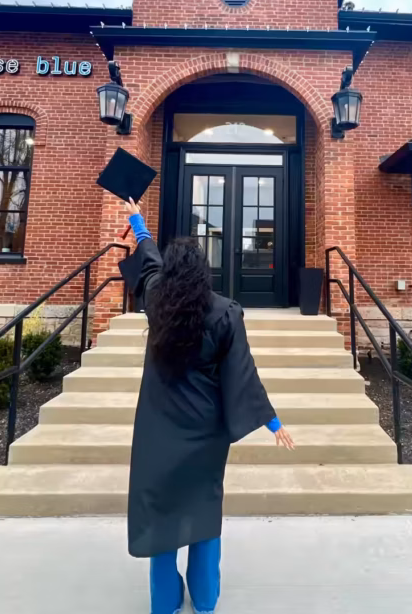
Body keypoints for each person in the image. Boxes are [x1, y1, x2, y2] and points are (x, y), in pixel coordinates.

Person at [123, 198, 294, 614]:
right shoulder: (225, 312)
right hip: (205, 432)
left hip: (157, 430)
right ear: (204, 272)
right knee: (203, 514)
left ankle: (164, 603)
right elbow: (243, 373)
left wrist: (137, 220)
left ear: (169, 272)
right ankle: (205, 599)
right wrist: (270, 420)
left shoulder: (155, 299)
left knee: (160, 517)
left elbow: (146, 262)